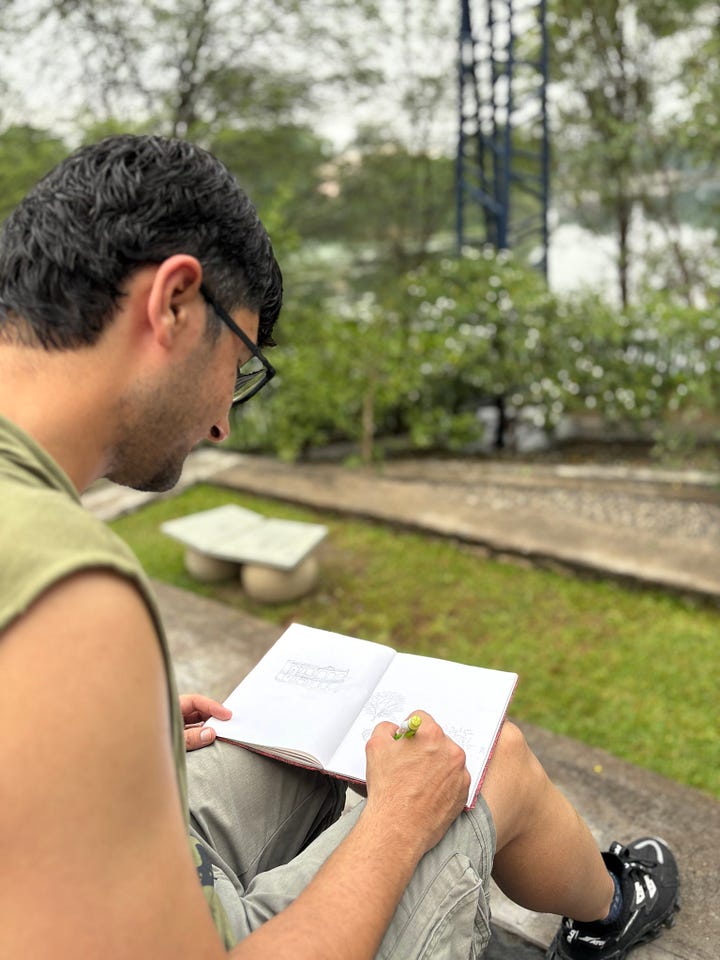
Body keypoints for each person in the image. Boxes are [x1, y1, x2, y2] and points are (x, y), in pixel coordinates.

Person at [0, 134, 680, 960]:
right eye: (240, 363)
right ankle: (615, 911)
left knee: (319, 749)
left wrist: (104, 744)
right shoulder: (69, 589)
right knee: (477, 760)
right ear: (176, 301)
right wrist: (398, 820)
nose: (222, 421)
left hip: (114, 868)